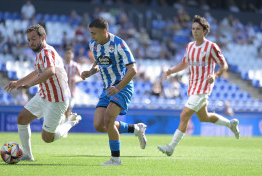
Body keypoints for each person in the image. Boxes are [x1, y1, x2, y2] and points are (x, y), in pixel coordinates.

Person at [158, 15, 240, 156]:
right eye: (193, 29)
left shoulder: (211, 47)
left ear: (204, 31)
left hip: (203, 88)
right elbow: (185, 63)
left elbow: (224, 65)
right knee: (204, 117)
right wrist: (171, 71)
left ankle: (171, 147)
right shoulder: (190, 46)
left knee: (184, 115)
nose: (195, 31)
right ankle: (230, 124)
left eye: (198, 29)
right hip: (193, 87)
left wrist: (214, 75)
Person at [4, 24, 81, 161]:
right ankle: (27, 155)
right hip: (44, 95)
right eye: (29, 40)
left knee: (47, 138)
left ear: (42, 37)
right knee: (22, 119)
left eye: (33, 39)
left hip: (57, 99)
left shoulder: (46, 51)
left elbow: (50, 71)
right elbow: (37, 72)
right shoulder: (41, 54)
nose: (31, 42)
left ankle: (70, 122)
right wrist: (19, 82)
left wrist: (30, 84)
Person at [81, 17, 147, 165]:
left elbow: (132, 70)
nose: (91, 37)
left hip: (122, 86)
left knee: (109, 120)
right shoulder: (94, 44)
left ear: (105, 32)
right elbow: (99, 62)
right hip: (107, 88)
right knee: (99, 125)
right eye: (90, 33)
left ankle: (115, 159)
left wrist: (118, 87)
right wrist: (90, 72)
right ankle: (136, 129)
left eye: (94, 33)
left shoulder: (119, 44)